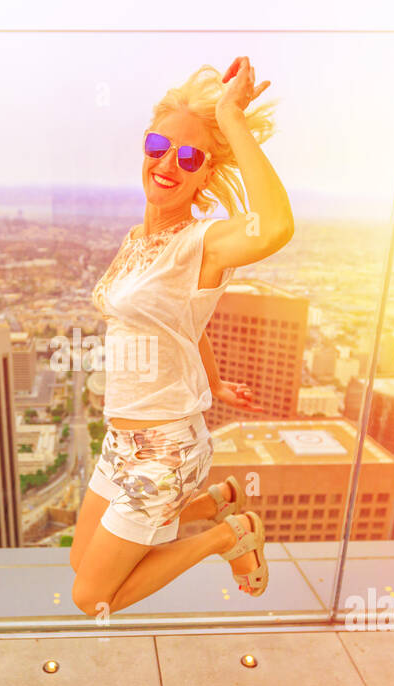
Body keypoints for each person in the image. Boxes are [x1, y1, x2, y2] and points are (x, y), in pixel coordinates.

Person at [70, 56, 294, 616]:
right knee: (82, 562)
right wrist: (214, 385)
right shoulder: (135, 239)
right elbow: (184, 325)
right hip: (120, 443)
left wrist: (230, 118)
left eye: (189, 156)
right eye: (158, 147)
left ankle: (228, 535)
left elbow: (276, 227)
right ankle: (215, 503)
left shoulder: (202, 243)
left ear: (204, 173)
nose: (169, 163)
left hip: (165, 451)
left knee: (91, 597)